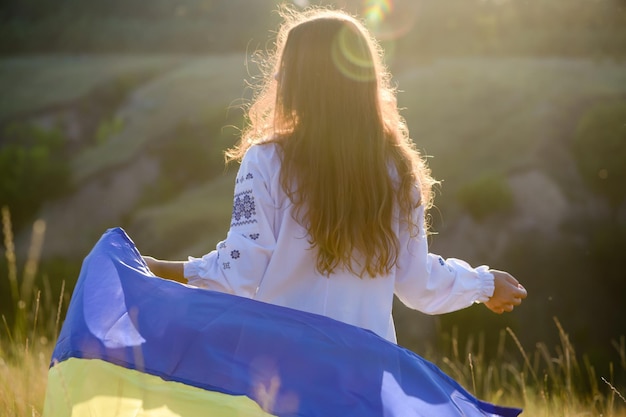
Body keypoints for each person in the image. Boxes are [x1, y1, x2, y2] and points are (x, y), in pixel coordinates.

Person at [143, 6, 527, 344]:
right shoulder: (396, 168)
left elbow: (240, 271)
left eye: (285, 69)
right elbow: (418, 284)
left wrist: (162, 270)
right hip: (363, 379)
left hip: (283, 373)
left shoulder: (265, 161)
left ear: (302, 83)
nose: (276, 79)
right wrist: (484, 283)